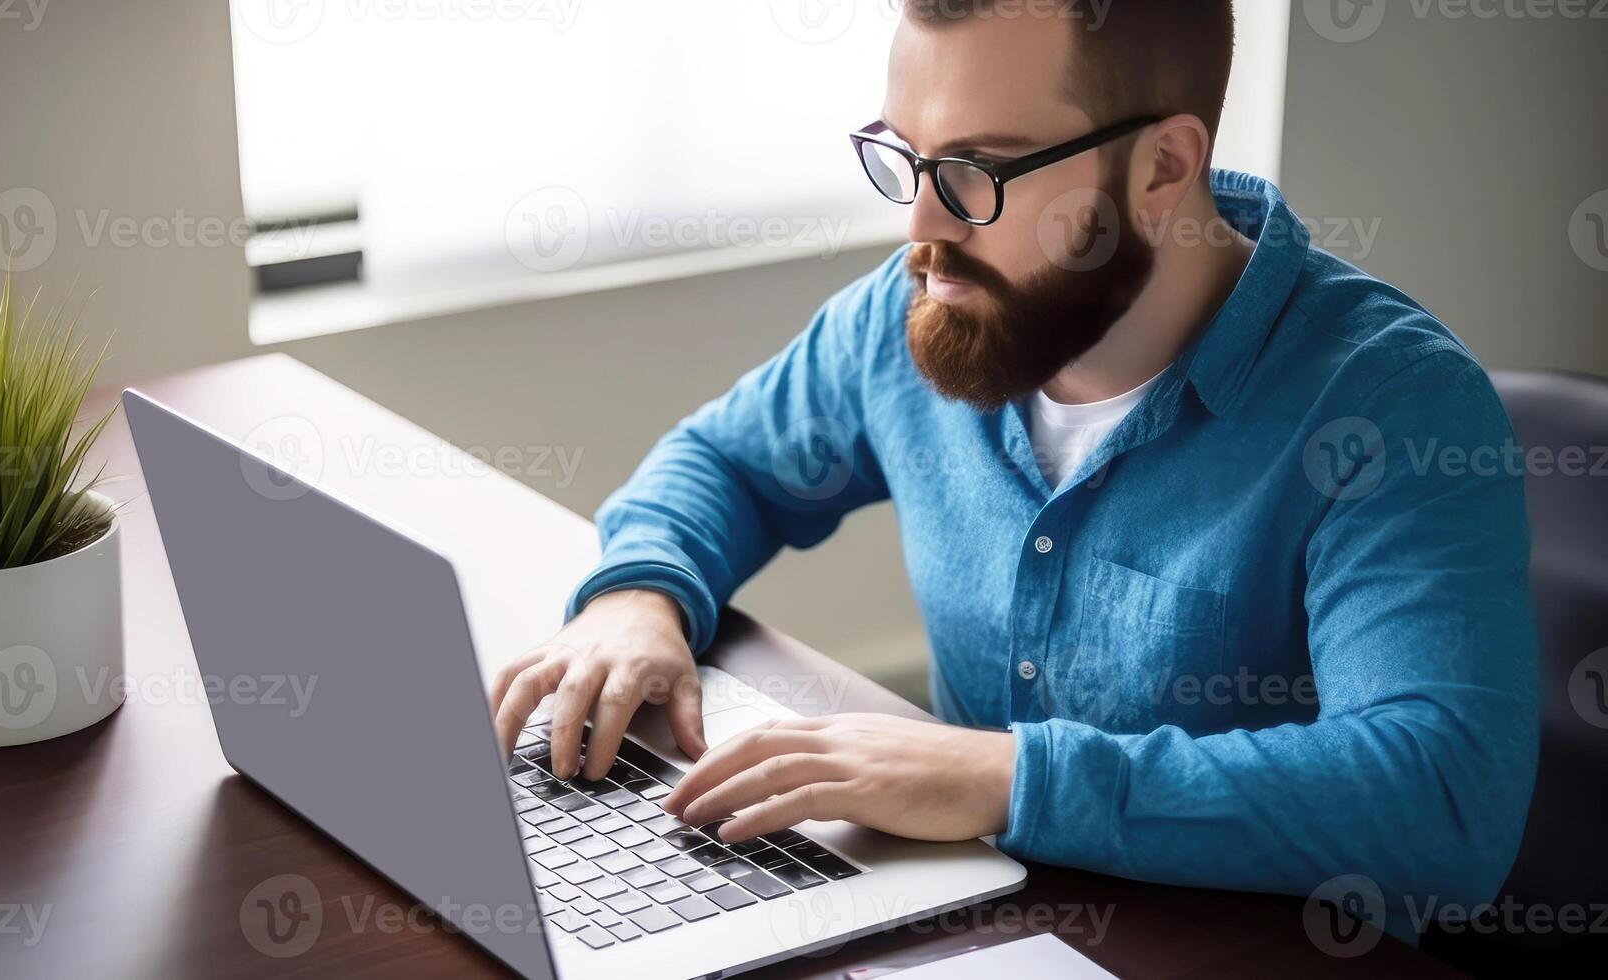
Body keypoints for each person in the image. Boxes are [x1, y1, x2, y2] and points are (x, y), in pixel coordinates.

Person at [490, 0, 1537, 931]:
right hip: (975, 923)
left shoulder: (1387, 405)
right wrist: (636, 594)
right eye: (904, 156)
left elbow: (1441, 800)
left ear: (1164, 165)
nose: (921, 230)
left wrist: (1009, 776)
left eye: (975, 174)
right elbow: (725, 461)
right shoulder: (924, 304)